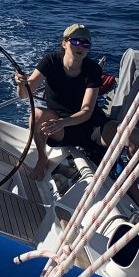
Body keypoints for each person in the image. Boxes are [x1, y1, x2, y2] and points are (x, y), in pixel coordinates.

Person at [15, 23, 125, 180]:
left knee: (131, 135)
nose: (81, 46)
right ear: (64, 43)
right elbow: (24, 94)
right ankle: (42, 158)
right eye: (75, 41)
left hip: (90, 126)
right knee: (36, 115)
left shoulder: (93, 69)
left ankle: (138, 196)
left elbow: (87, 111)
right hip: (62, 129)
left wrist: (62, 122)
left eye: (85, 43)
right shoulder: (50, 61)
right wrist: (21, 83)